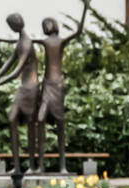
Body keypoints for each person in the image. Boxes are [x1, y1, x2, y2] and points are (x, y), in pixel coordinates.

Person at [36, 0, 92, 174]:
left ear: (52, 25)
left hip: (58, 86)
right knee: (40, 119)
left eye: (45, 24)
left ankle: (62, 166)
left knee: (60, 124)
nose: (44, 27)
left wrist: (85, 8)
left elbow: (79, 32)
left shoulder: (59, 42)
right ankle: (40, 166)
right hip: (46, 85)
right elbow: (25, 40)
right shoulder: (45, 42)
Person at [0, 14, 41, 177]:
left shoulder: (26, 43)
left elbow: (15, 72)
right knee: (12, 119)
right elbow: (7, 65)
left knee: (31, 126)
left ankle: (32, 166)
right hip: (24, 88)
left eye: (10, 25)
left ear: (15, 25)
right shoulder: (20, 42)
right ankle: (17, 166)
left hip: (30, 88)